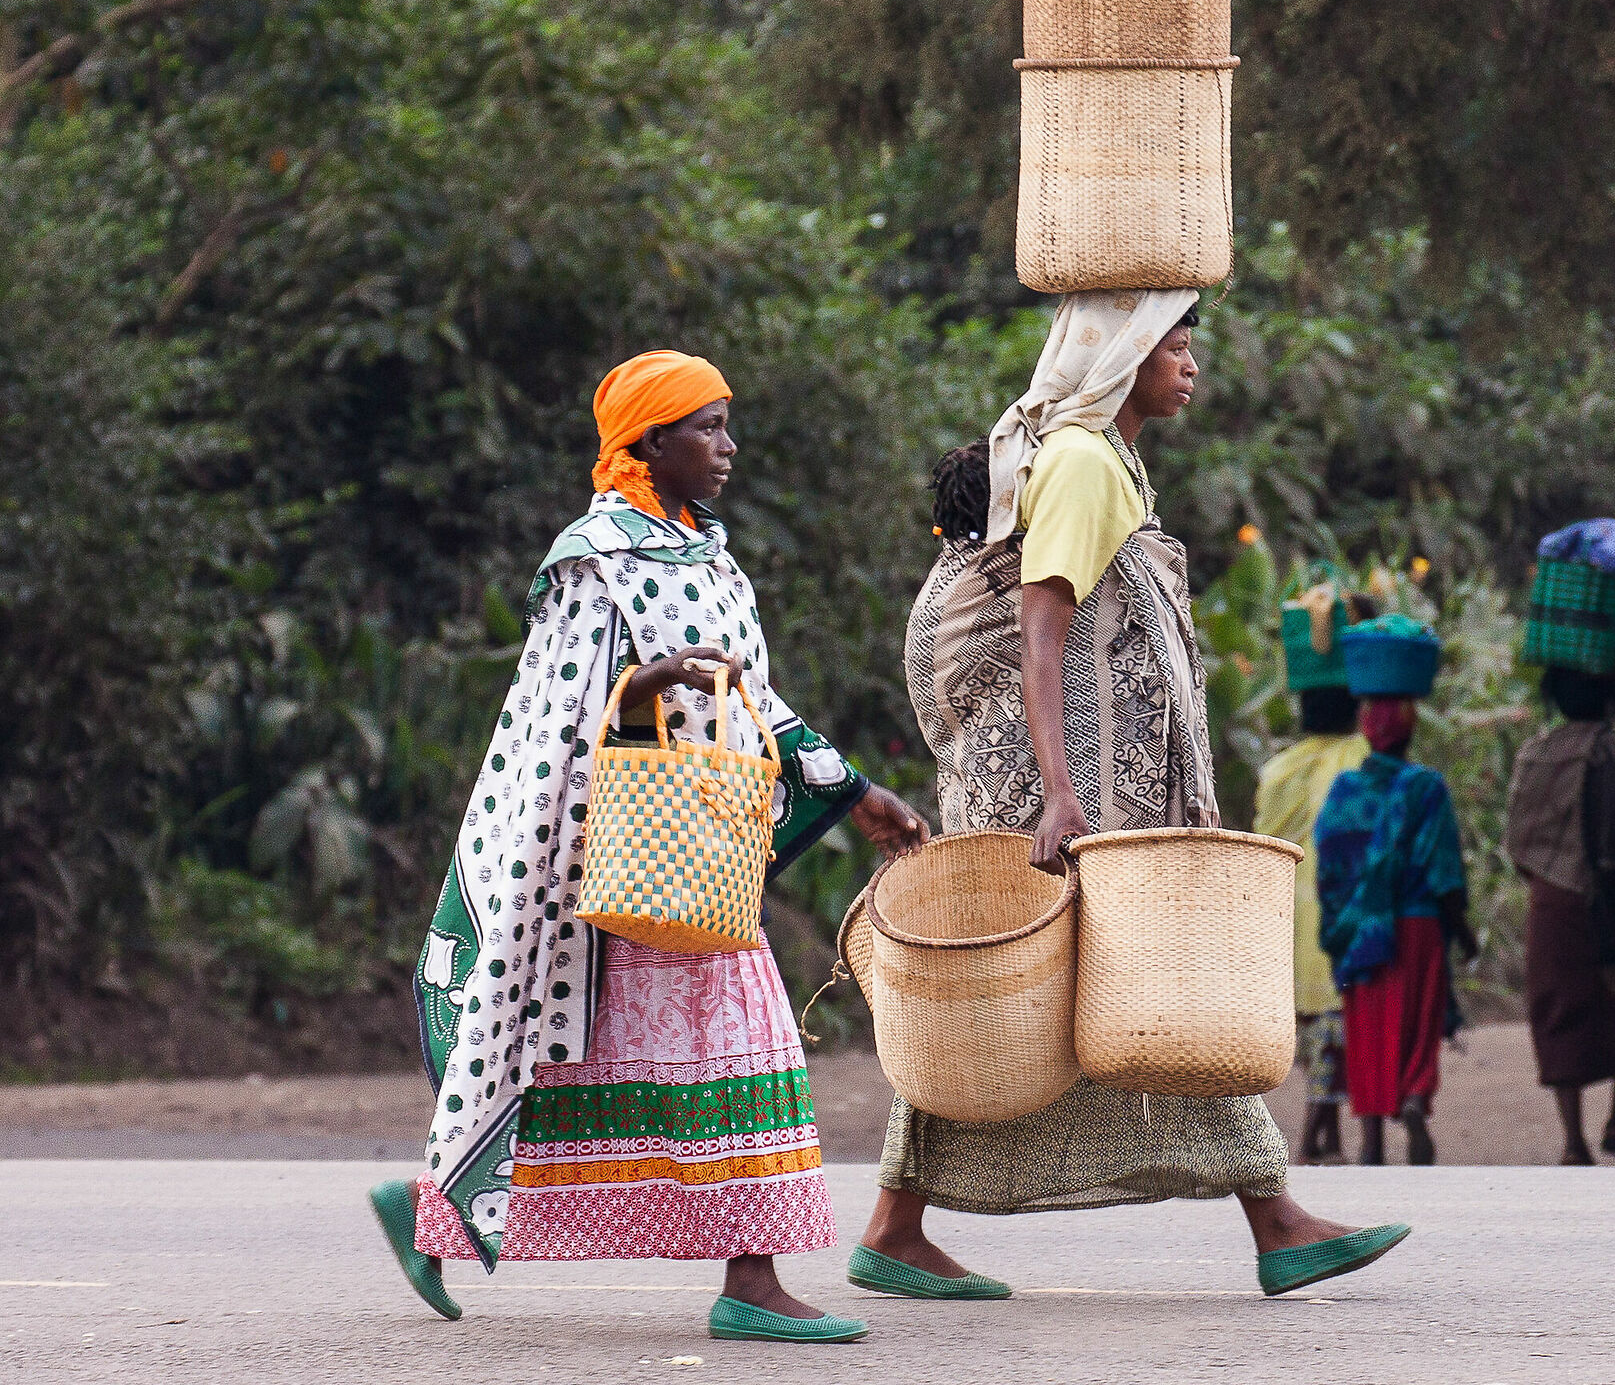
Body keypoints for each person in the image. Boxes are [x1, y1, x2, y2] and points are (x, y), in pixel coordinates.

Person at [369, 350, 928, 1345]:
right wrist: (650, 683)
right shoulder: (595, 559)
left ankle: (442, 1209)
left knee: (637, 1063)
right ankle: (742, 1281)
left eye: (727, 424)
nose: (728, 446)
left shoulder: (708, 553)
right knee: (686, 1050)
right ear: (649, 441)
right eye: (708, 427)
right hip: (617, 852)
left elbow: (756, 696)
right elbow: (559, 711)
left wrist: (856, 789)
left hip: (708, 840)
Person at [867, 288, 1409, 1300]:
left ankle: (897, 1224)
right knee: (1139, 980)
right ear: (1122, 353)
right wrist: (1062, 795)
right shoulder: (1079, 462)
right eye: (1174, 341)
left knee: (1067, 993)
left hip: (1087, 781)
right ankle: (1276, 1217)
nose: (1191, 360)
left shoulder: (1104, 457)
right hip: (1070, 790)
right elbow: (1043, 622)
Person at [1313, 614, 1475, 1167]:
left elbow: (1329, 868)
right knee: (1417, 1021)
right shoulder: (1427, 788)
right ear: (1410, 726)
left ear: (1365, 728)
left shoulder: (1344, 791)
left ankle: (1372, 1136)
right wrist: (1464, 930)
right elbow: (1445, 873)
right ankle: (1412, 1097)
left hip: (1362, 930)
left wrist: (1342, 923)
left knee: (1368, 1024)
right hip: (1419, 924)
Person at [1505, 666, 1615, 1166]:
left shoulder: (1534, 752)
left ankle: (1573, 1140)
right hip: (1614, 894)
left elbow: (1518, 837)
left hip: (1551, 898)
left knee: (1558, 1010)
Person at [1252, 582, 1373, 1163]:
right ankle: (1319, 1134)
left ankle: (1318, 1132)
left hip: (1291, 923)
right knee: (1338, 1027)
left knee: (1317, 1027)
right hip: (1346, 916)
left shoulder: (1279, 770)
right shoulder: (1367, 762)